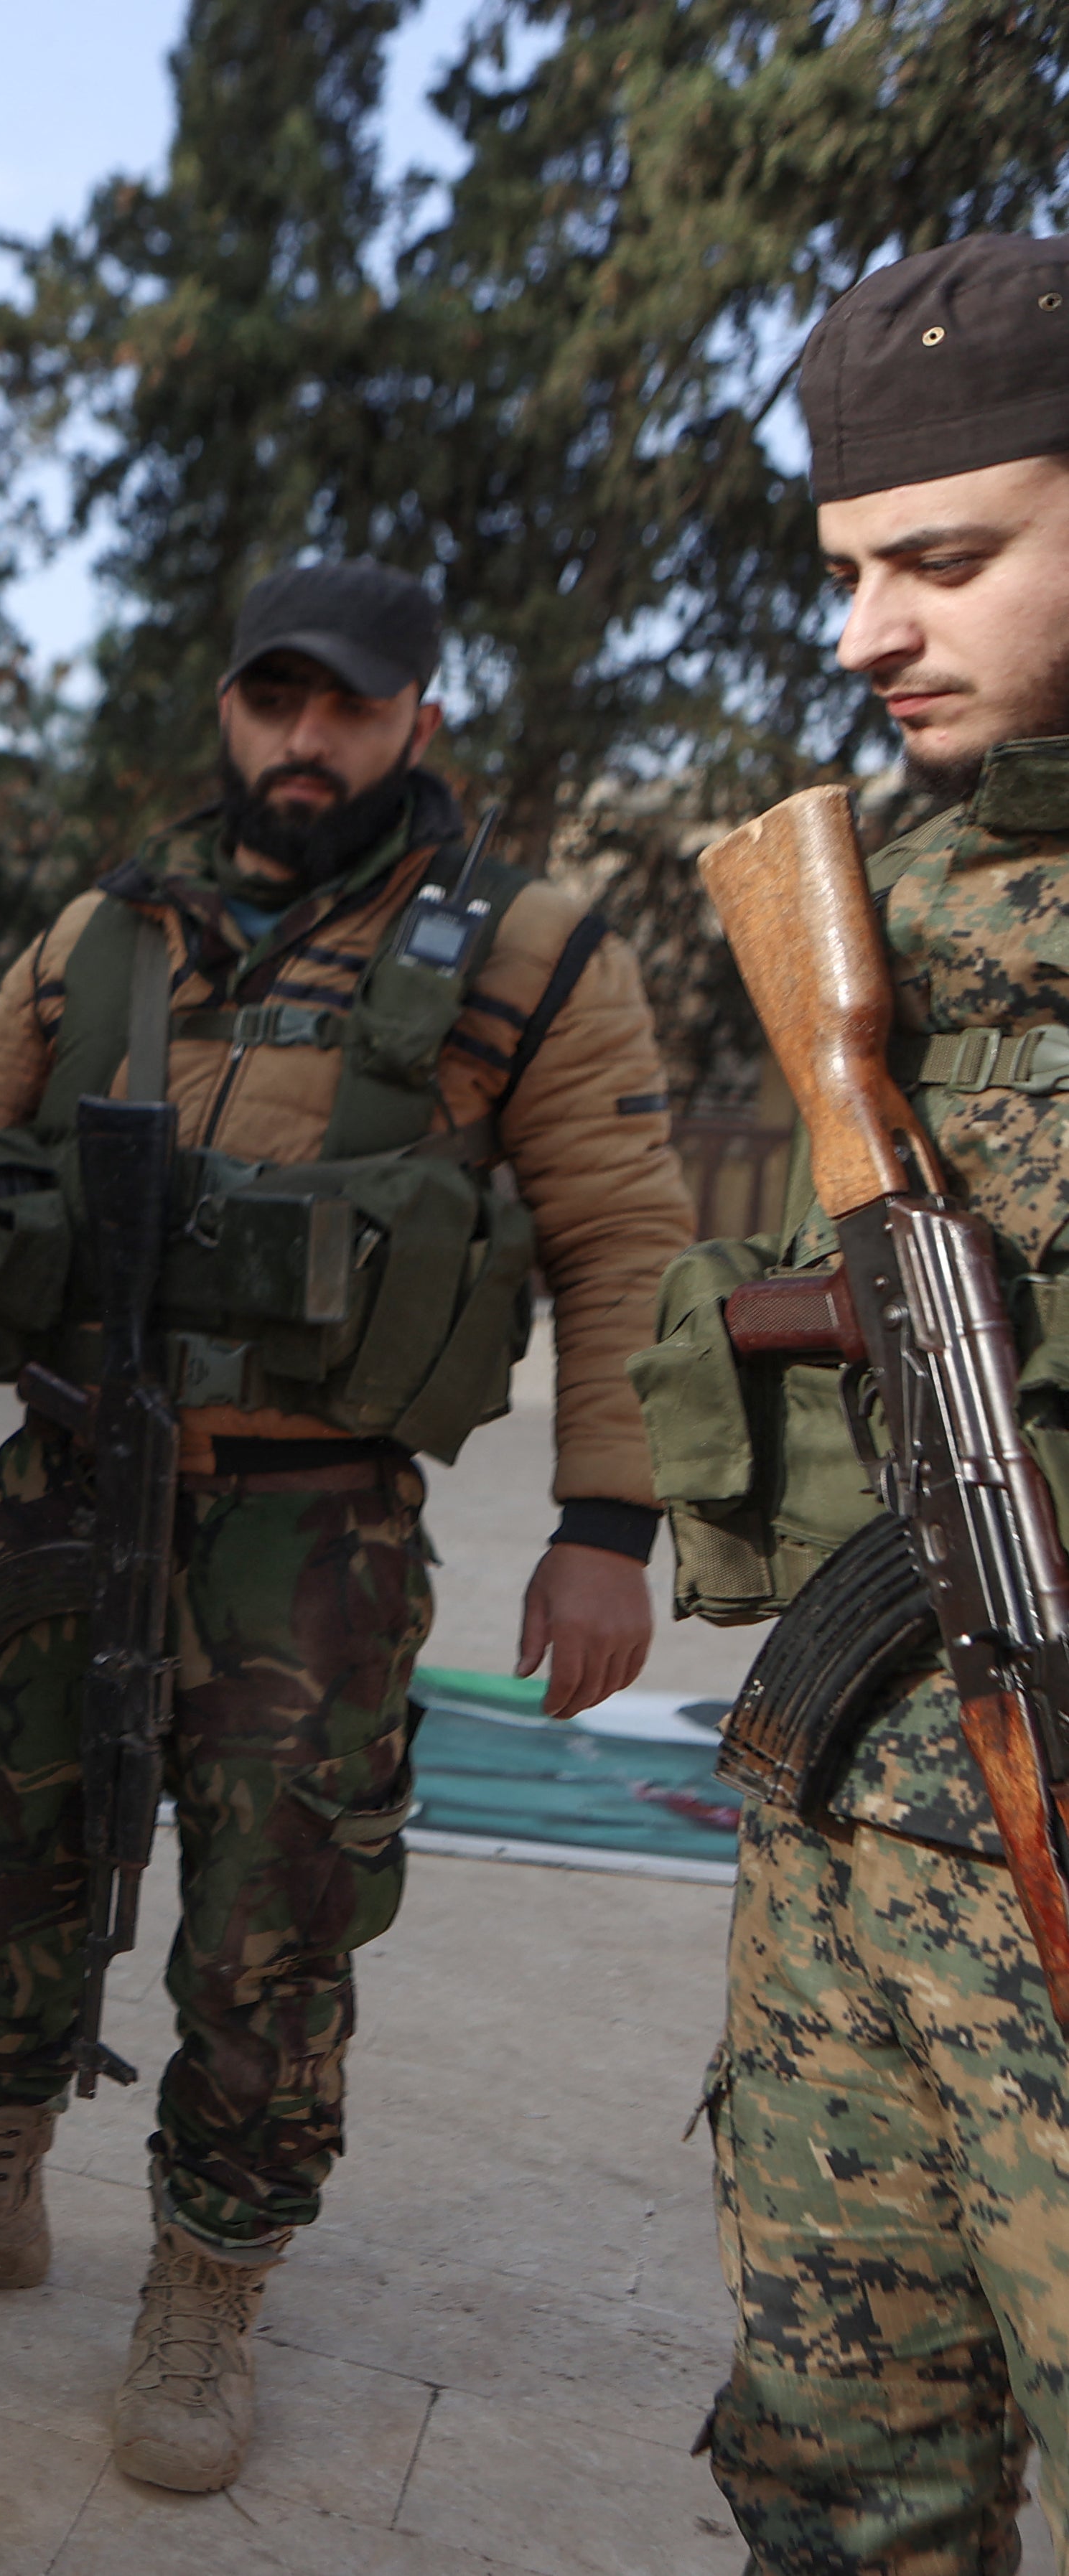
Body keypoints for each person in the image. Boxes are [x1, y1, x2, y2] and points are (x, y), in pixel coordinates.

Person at [0, 558, 693, 2491]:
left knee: (275, 1921)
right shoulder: (105, 931)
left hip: (316, 1525)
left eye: (349, 706)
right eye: (274, 700)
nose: (308, 740)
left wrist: (609, 1518)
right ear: (228, 711)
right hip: (64, 1478)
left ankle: (209, 2272)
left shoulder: (529, 946)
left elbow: (627, 1240)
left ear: (416, 722)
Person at [627, 233, 1069, 2572]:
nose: (861, 633)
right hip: (852, 1840)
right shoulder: (883, 894)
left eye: (945, 560)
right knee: (834, 2477)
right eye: (846, 570)